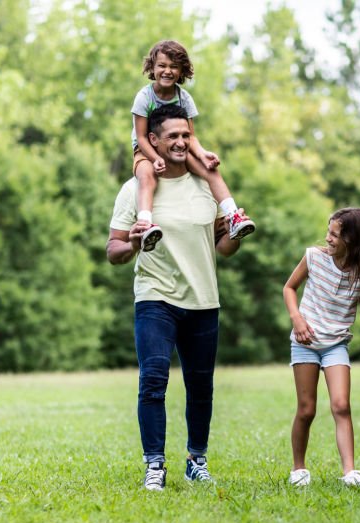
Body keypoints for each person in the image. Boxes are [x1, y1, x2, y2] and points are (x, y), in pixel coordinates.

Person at [107, 103, 242, 491]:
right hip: (155, 298)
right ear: (153, 141)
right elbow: (113, 250)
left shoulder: (206, 183)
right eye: (173, 137)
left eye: (186, 135)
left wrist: (234, 235)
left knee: (201, 386)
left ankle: (195, 460)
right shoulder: (136, 189)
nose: (182, 142)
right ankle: (154, 464)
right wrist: (131, 244)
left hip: (203, 301)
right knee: (153, 381)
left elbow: (222, 247)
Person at [282, 209, 360, 488]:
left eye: (334, 234)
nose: (327, 238)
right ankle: (298, 469)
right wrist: (297, 319)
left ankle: (350, 472)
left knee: (341, 405)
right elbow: (289, 288)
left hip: (336, 345)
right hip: (305, 343)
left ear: (352, 240)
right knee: (306, 409)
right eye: (328, 231)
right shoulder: (314, 258)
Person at [130, 40, 255, 252]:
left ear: (182, 71)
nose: (167, 71)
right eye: (162, 65)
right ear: (152, 67)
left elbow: (192, 137)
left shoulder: (184, 98)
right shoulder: (144, 97)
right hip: (146, 149)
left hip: (179, 147)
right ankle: (145, 225)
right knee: (146, 175)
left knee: (210, 170)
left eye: (173, 66)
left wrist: (203, 154)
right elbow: (141, 137)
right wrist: (155, 159)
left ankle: (233, 216)